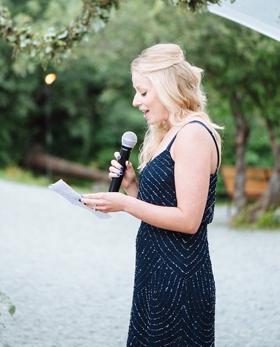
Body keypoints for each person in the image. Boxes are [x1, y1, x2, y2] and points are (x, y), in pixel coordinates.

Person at [82, 43, 221, 346]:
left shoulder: (193, 133)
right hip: (155, 274)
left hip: (179, 279)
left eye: (143, 92)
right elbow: (163, 206)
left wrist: (124, 203)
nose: (136, 101)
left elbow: (188, 220)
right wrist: (132, 186)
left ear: (167, 87)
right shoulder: (169, 132)